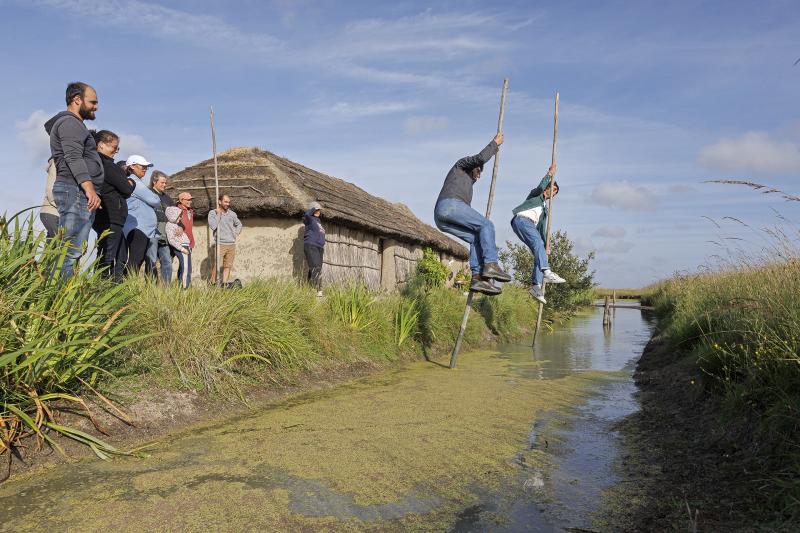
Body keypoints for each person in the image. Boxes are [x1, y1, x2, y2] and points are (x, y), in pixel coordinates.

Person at [433, 133, 511, 295]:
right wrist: (495, 144)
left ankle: (477, 278)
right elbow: (480, 158)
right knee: (486, 225)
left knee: (476, 237)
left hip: (442, 219)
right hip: (449, 205)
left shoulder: (467, 185)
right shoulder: (461, 165)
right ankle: (491, 264)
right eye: (478, 170)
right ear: (472, 167)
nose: (479, 174)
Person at [44, 82, 103, 278]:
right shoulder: (70, 123)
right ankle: (57, 301)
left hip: (76, 191)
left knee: (73, 251)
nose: (96, 106)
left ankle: (61, 297)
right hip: (75, 191)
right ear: (77, 100)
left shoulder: (76, 124)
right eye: (92, 102)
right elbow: (73, 157)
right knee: (69, 251)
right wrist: (89, 189)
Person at [510, 164, 567, 304]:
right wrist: (549, 174)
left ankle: (535, 286)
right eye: (552, 189)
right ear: (547, 187)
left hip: (529, 226)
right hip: (522, 220)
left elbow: (541, 228)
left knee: (539, 251)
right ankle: (547, 272)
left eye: (555, 193)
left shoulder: (545, 209)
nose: (552, 194)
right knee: (538, 246)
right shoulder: (536, 195)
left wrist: (546, 245)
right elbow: (540, 187)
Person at [91, 130, 135, 283]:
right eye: (114, 147)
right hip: (111, 216)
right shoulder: (107, 165)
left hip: (107, 215)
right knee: (107, 255)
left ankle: (113, 286)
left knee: (117, 253)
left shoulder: (97, 163)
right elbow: (126, 189)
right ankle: (101, 287)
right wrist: (132, 182)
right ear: (101, 145)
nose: (116, 151)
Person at [122, 155, 160, 274]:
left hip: (142, 228)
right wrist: (154, 197)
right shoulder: (135, 183)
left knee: (137, 260)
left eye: (146, 167)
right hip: (138, 227)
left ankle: (128, 288)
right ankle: (125, 288)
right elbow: (155, 200)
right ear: (132, 167)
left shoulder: (138, 182)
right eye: (142, 166)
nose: (145, 169)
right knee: (135, 260)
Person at [146, 170, 175, 283]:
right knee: (151, 260)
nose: (164, 185)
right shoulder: (147, 193)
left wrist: (180, 226)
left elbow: (176, 213)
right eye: (162, 182)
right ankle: (151, 287)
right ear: (154, 181)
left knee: (167, 261)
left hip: (164, 233)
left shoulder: (167, 198)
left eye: (165, 183)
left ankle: (166, 290)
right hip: (152, 231)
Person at [208, 193, 242, 285]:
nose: (227, 204)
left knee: (228, 265)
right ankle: (212, 283)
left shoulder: (232, 214)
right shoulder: (212, 213)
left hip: (231, 243)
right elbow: (213, 226)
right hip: (220, 243)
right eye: (225, 201)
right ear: (219, 202)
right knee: (217, 265)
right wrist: (218, 215)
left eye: (229, 202)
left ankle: (224, 284)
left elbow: (239, 224)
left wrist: (236, 233)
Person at [164, 206, 191, 289]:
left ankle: (184, 286)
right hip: (182, 247)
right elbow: (171, 240)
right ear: (173, 216)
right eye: (178, 216)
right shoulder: (169, 226)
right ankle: (184, 288)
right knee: (186, 268)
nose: (180, 218)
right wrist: (182, 249)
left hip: (185, 246)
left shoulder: (175, 225)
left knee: (187, 267)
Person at [302, 201, 325, 297]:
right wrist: (313, 207)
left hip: (319, 247)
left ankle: (309, 288)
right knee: (315, 267)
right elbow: (306, 214)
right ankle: (317, 289)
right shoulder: (309, 219)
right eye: (317, 210)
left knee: (316, 268)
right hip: (311, 245)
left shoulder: (318, 221)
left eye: (319, 210)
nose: (319, 211)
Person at [175, 191, 195, 287]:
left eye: (190, 199)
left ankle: (179, 286)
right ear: (181, 200)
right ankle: (185, 289)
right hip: (181, 242)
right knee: (187, 268)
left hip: (189, 242)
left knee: (183, 267)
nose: (190, 201)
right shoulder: (176, 210)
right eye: (188, 200)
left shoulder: (190, 211)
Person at [40, 158, 59, 241]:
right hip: (53, 212)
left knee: (52, 246)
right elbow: (50, 190)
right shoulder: (57, 163)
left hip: (54, 213)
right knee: (62, 246)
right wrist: (65, 208)